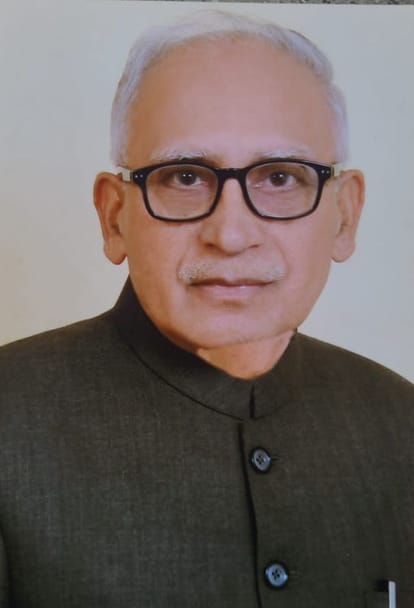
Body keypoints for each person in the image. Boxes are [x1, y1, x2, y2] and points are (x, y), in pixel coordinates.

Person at [0, 9, 413, 608]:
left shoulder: (401, 423)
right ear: (114, 218)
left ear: (344, 217)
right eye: (185, 177)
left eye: (281, 177)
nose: (231, 234)